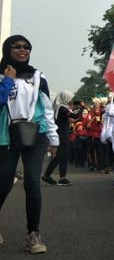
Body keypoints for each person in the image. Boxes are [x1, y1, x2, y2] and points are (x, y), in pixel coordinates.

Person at [0, 35, 59, 254]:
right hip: (6, 136)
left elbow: (46, 108)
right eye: (17, 47)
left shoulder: (37, 76)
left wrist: (54, 138)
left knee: (32, 182)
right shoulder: (1, 74)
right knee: (4, 182)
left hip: (36, 133)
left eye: (26, 47)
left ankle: (33, 234)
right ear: (8, 50)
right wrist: (7, 80)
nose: (22, 50)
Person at [42, 91, 76, 186]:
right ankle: (60, 177)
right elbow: (75, 116)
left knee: (61, 156)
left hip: (62, 135)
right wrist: (83, 107)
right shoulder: (62, 108)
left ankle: (51, 176)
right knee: (62, 156)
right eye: (70, 99)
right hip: (62, 135)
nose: (71, 101)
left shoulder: (60, 107)